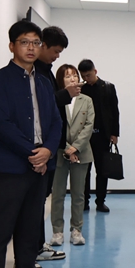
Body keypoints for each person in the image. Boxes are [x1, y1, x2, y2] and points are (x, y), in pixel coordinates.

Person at [0, 20, 62, 268]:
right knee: (1, 231)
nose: (31, 47)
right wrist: (34, 154)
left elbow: (55, 122)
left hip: (38, 168)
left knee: (30, 232)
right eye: (25, 42)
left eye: (36, 42)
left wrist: (48, 151)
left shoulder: (44, 82)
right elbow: (1, 125)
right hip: (9, 169)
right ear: (12, 46)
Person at [34, 26, 73, 264]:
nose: (57, 56)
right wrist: (66, 94)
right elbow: (43, 106)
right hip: (39, 151)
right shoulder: (34, 73)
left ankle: (37, 246)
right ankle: (32, 251)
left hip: (50, 149)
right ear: (44, 45)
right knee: (34, 204)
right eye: (55, 51)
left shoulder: (45, 72)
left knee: (40, 200)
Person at [50, 64, 94, 246]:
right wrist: (67, 148)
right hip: (60, 152)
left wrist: (75, 148)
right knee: (58, 194)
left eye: (75, 75)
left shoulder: (87, 100)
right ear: (61, 80)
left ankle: (77, 230)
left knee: (78, 195)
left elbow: (89, 126)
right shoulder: (56, 99)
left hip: (81, 153)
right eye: (68, 76)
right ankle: (57, 231)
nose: (73, 79)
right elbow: (53, 125)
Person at [78, 59, 120, 213]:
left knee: (102, 171)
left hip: (103, 135)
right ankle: (84, 201)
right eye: (83, 76)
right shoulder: (81, 89)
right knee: (84, 171)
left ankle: (100, 201)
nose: (86, 79)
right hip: (84, 136)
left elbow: (114, 111)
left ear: (95, 72)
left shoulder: (108, 87)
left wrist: (114, 133)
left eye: (88, 75)